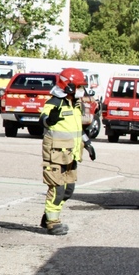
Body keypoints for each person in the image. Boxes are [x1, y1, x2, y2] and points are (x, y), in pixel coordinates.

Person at [39, 68, 96, 235]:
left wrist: (88, 143)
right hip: (56, 153)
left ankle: (48, 216)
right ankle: (53, 223)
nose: (81, 90)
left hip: (71, 154)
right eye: (78, 86)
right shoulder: (54, 103)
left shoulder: (75, 104)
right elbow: (43, 120)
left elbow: (77, 129)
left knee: (69, 189)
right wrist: (49, 120)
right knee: (57, 189)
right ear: (68, 86)